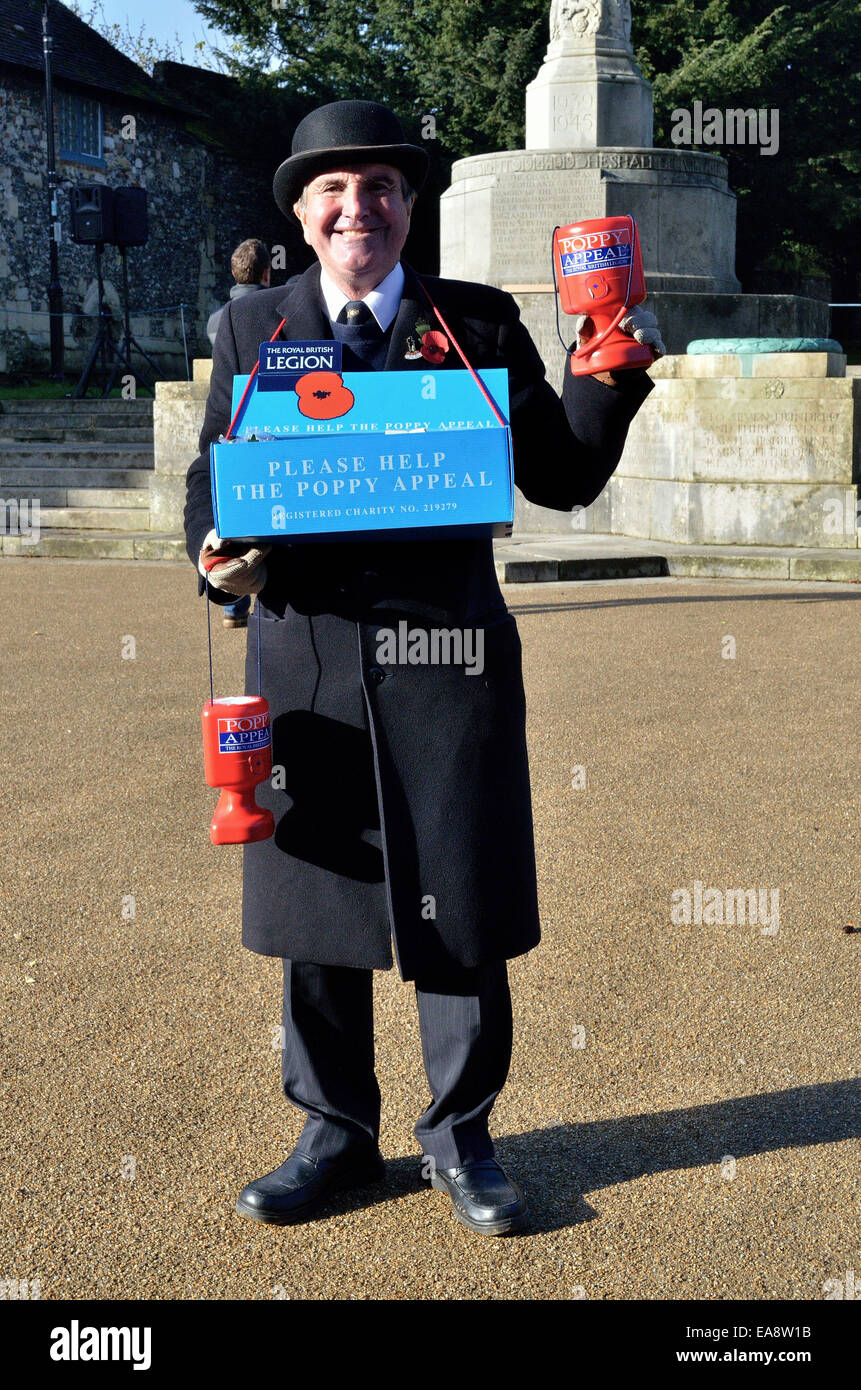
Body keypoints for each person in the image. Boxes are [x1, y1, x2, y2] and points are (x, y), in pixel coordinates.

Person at [184, 100, 663, 1237]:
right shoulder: (252, 324)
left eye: (385, 188)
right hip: (303, 656)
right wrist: (216, 557)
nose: (362, 207)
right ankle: (334, 1134)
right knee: (317, 908)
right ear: (304, 213)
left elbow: (560, 475)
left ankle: (462, 1136)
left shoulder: (480, 321)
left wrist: (610, 370)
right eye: (336, 189)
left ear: (413, 208)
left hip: (448, 657)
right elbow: (215, 479)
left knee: (462, 898)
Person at [207, 238, 273, 630]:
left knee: (231, 520)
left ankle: (233, 607)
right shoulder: (272, 314)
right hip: (261, 427)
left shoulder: (216, 319)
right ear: (266, 272)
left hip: (226, 428)